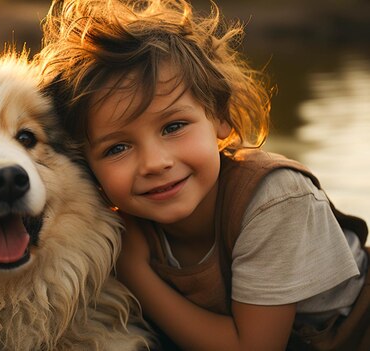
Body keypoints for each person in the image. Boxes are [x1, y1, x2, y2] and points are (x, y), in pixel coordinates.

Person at [37, 0, 370, 350]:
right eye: (117, 148)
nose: (154, 162)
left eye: (174, 126)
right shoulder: (124, 222)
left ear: (220, 116)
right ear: (88, 167)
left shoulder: (274, 200)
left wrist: (135, 274)